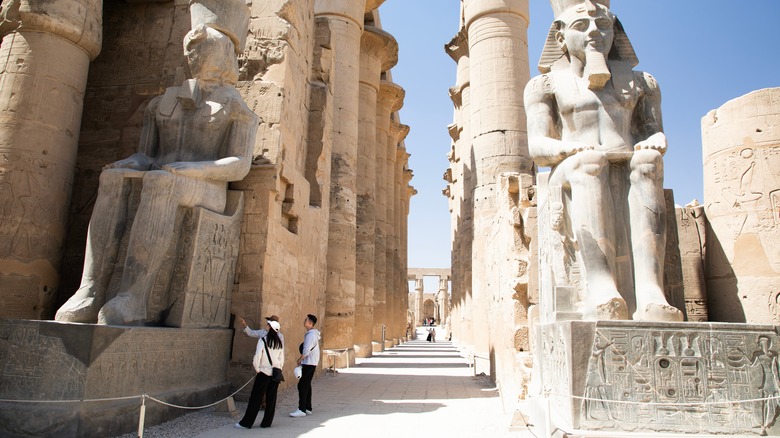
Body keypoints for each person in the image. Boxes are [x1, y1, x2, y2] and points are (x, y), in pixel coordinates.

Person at [55, 23, 257, 325]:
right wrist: (133, 162)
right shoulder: (162, 103)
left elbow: (240, 164)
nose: (194, 55)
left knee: (161, 184)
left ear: (222, 55)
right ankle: (91, 288)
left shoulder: (235, 106)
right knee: (111, 179)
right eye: (191, 49)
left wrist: (198, 170)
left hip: (209, 186)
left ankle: (136, 296)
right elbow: (147, 154)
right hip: (169, 173)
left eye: (203, 49)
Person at [524, 0, 682, 322]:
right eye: (582, 27)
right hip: (572, 167)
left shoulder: (643, 82)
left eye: (603, 25)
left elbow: (653, 132)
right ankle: (599, 284)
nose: (595, 32)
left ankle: (650, 290)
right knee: (591, 163)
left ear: (616, 31)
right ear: (559, 37)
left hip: (624, 159)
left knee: (648, 162)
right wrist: (570, 150)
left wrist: (653, 141)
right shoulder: (545, 86)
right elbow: (537, 146)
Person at [235, 317, 284, 429]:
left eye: (268, 324)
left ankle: (247, 423)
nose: (266, 325)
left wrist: (257, 369)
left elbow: (257, 357)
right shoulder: (279, 342)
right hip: (275, 372)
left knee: (255, 398)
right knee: (271, 398)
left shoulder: (263, 340)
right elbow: (282, 359)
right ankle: (267, 423)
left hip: (263, 372)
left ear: (270, 327)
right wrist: (278, 369)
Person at [290, 314, 320, 418]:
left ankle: (301, 409)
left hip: (309, 362)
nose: (304, 321)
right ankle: (308, 408)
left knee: (302, 385)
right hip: (311, 362)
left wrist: (300, 359)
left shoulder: (311, 335)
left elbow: (306, 350)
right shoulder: (312, 334)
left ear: (310, 323)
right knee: (307, 384)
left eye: (306, 320)